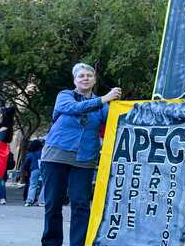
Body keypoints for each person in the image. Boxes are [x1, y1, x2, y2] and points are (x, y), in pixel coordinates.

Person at [41, 63, 120, 246]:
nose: (85, 78)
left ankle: (79, 243)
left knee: (81, 205)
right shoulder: (65, 96)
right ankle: (51, 243)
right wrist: (104, 99)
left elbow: (115, 120)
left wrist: (116, 104)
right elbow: (73, 108)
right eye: (81, 76)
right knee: (53, 204)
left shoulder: (104, 105)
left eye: (89, 76)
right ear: (75, 81)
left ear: (94, 80)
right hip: (56, 155)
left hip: (84, 159)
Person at [22, 139, 43, 206]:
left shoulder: (31, 154)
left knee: (33, 185)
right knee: (44, 185)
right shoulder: (43, 152)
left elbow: (26, 163)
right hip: (43, 169)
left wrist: (25, 171)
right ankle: (41, 201)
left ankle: (29, 200)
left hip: (34, 169)